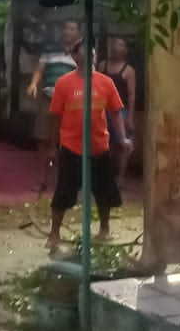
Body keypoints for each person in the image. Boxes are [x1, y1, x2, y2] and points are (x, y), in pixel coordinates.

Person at [45, 39, 131, 254]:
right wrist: (52, 146)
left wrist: (122, 138)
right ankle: (54, 233)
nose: (91, 53)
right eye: (84, 51)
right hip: (71, 147)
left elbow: (115, 112)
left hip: (99, 146)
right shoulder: (64, 83)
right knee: (63, 193)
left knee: (104, 192)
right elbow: (54, 117)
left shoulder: (106, 83)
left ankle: (104, 229)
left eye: (92, 50)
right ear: (75, 57)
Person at [27, 19, 81, 195]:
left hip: (71, 103)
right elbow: (40, 69)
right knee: (42, 138)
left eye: (72, 28)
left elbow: (88, 74)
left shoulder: (84, 52)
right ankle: (42, 179)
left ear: (78, 34)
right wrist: (34, 84)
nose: (68, 31)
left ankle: (64, 181)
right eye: (66, 27)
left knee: (67, 142)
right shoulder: (50, 49)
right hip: (48, 98)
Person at [99, 36, 139, 185]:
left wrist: (131, 117)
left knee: (123, 145)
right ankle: (106, 174)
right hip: (103, 110)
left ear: (125, 50)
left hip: (121, 111)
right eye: (114, 44)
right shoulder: (102, 66)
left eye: (120, 44)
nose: (116, 47)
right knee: (104, 144)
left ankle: (120, 176)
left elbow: (132, 95)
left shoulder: (129, 71)